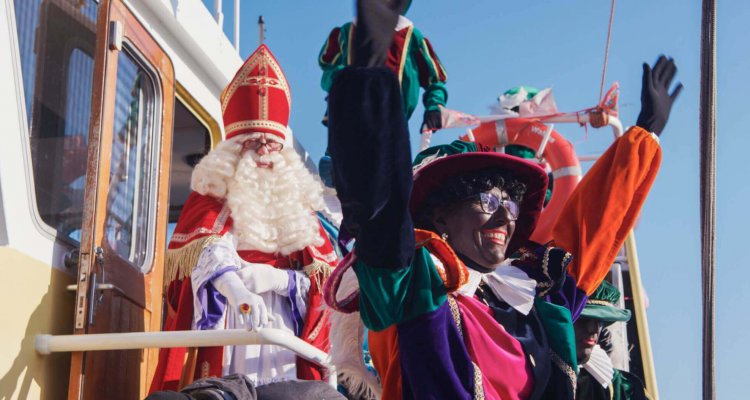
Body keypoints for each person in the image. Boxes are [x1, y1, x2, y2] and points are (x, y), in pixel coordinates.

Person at [323, 0, 681, 398]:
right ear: (440, 216)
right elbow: (380, 206)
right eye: (487, 202)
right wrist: (369, 79)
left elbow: (591, 229)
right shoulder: (416, 284)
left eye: (509, 205)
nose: (503, 219)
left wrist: (644, 137)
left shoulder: (530, 295)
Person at [149, 44, 338, 393]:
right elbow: (209, 253)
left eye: (272, 143)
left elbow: (321, 283)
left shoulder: (298, 206)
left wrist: (278, 281)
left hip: (283, 327)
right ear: (234, 149)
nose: (265, 151)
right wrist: (236, 289)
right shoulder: (212, 196)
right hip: (230, 317)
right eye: (255, 143)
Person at [574, 281, 648, 400]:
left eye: (599, 321)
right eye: (583, 319)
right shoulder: (538, 374)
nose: (593, 329)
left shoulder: (625, 389)